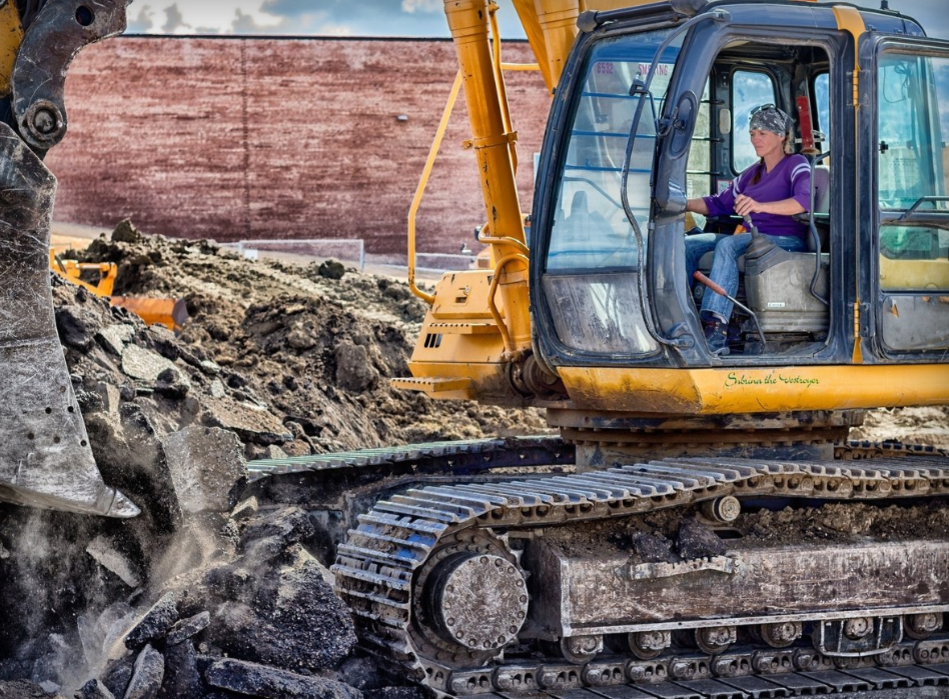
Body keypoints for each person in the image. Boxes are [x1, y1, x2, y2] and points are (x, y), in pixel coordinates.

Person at [683, 104, 811, 355]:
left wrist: (759, 206)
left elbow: (803, 202)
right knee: (689, 245)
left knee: (727, 245)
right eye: (752, 134)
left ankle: (716, 329)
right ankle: (683, 315)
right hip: (752, 237)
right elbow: (717, 203)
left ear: (781, 136)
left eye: (762, 133)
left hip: (786, 240)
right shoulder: (752, 174)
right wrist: (682, 204)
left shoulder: (797, 164)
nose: (755, 139)